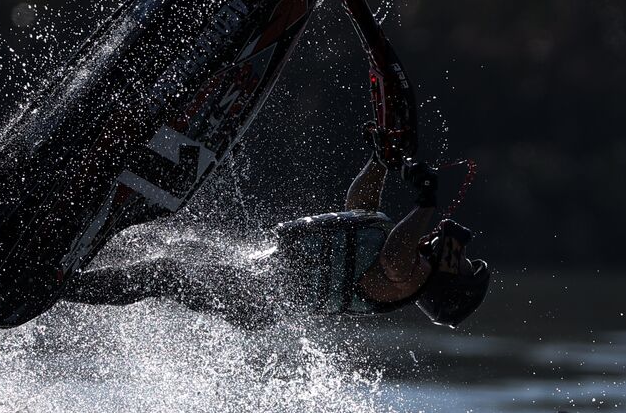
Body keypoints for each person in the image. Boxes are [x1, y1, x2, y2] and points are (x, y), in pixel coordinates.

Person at [55, 125, 491, 329]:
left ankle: (57, 287)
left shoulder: (407, 278)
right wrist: (381, 159)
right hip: (258, 271)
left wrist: (427, 202)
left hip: (258, 296)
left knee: (163, 273)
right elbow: (360, 207)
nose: (461, 254)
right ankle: (69, 255)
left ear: (449, 280)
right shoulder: (403, 259)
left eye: (465, 264)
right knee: (177, 247)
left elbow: (397, 255)